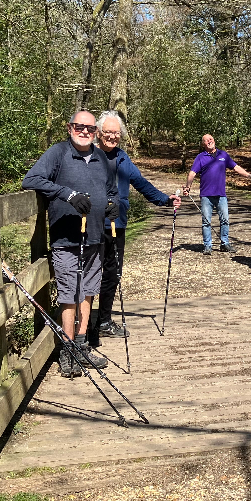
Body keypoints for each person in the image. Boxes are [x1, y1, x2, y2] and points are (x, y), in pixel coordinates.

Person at [22, 110, 117, 377]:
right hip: (67, 238)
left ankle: (81, 343)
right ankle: (67, 349)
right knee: (69, 293)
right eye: (79, 126)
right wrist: (68, 194)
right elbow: (31, 179)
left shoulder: (99, 157)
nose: (84, 131)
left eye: (89, 128)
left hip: (95, 236)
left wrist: (113, 205)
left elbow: (111, 190)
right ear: (69, 127)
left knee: (87, 291)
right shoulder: (58, 153)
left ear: (96, 131)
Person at [91, 111, 180, 345]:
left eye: (116, 132)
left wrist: (164, 199)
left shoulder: (122, 158)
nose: (112, 136)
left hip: (117, 224)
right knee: (90, 274)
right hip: (92, 225)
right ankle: (84, 327)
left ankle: (103, 321)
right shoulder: (88, 156)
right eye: (108, 132)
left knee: (113, 273)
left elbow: (140, 183)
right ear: (99, 133)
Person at [184, 134, 251, 255]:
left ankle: (224, 243)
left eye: (211, 139)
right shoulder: (200, 157)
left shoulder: (223, 155)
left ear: (214, 140)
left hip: (221, 195)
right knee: (206, 222)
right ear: (203, 144)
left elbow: (236, 167)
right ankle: (207, 245)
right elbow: (192, 173)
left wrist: (249, 176)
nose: (209, 141)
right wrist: (188, 187)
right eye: (206, 140)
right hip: (206, 195)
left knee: (225, 219)